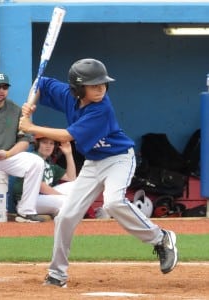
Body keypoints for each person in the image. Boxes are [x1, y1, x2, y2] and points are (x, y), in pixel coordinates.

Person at [19, 58, 178, 287]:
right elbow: (40, 83)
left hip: (119, 159)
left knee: (113, 203)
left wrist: (30, 127)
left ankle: (161, 238)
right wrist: (30, 104)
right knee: (65, 216)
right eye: (94, 85)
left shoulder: (101, 109)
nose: (100, 88)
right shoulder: (67, 95)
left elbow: (66, 136)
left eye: (102, 83)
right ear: (77, 88)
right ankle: (57, 274)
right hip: (93, 163)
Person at [0, 72, 45, 223]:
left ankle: (26, 211)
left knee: (36, 162)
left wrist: (8, 154)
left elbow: (25, 140)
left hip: (7, 155)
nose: (1, 90)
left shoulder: (15, 110)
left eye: (5, 87)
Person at [13, 133, 76, 217]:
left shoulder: (49, 163)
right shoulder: (33, 158)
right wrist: (63, 196)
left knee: (75, 185)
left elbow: (71, 178)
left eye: (51, 143)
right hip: (27, 201)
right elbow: (41, 186)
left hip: (43, 198)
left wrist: (68, 154)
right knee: (66, 201)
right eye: (44, 142)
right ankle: (59, 212)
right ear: (37, 144)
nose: (48, 146)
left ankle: (58, 212)